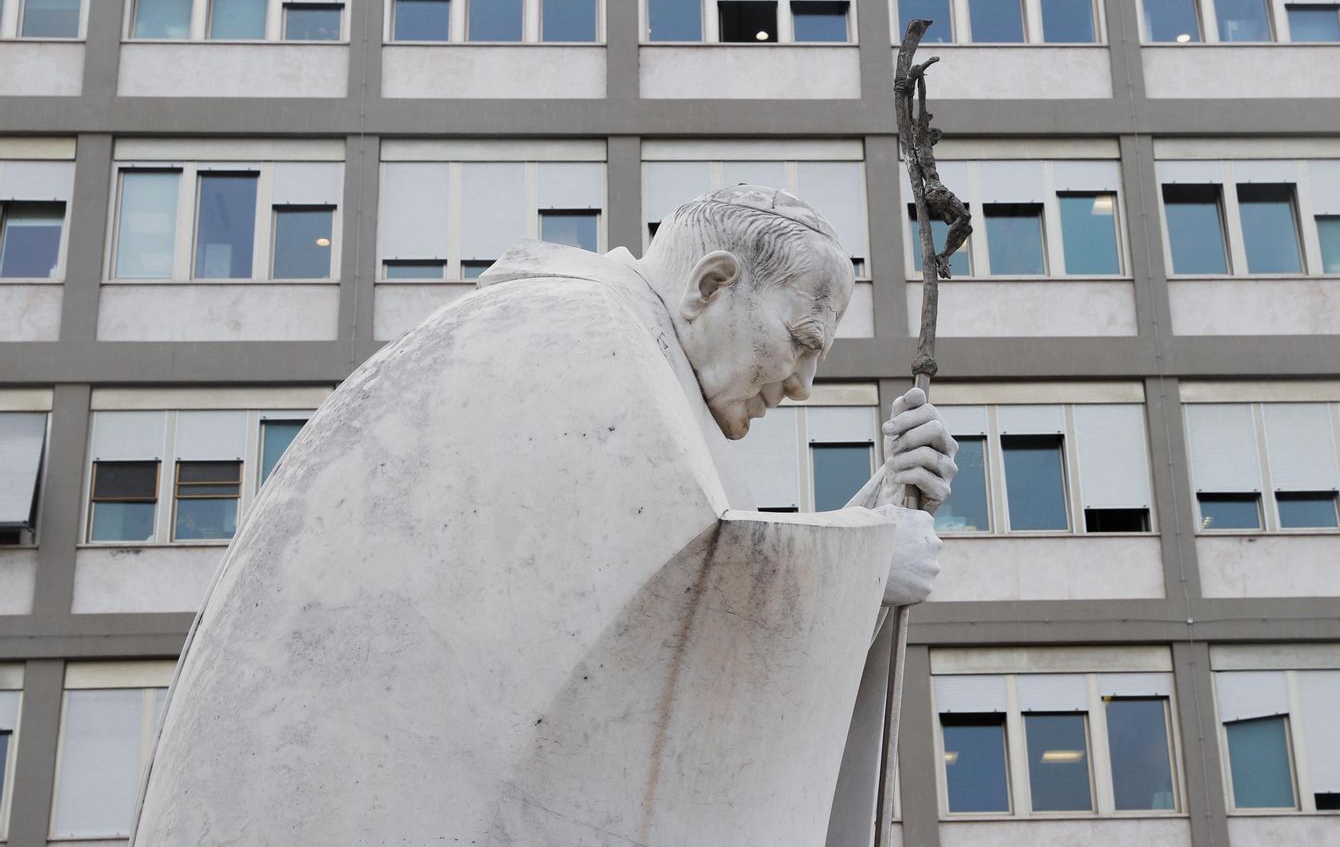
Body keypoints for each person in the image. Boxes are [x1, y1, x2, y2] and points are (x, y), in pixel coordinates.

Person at [131, 186, 959, 846]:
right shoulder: (574, 337)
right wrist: (863, 564)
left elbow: (648, 607)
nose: (804, 384)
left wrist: (870, 523)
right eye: (804, 340)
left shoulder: (632, 355)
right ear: (711, 284)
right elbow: (670, 581)